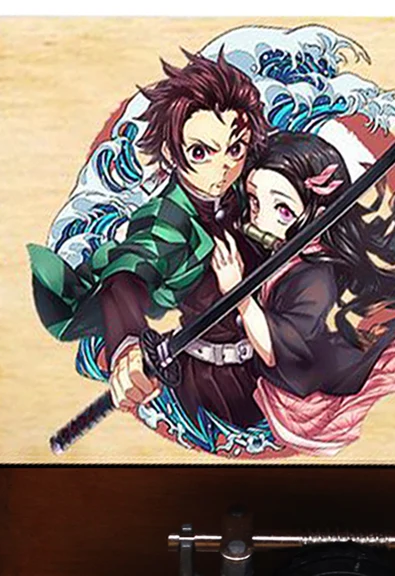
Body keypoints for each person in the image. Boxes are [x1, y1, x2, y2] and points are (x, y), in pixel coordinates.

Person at [28, 51, 269, 435]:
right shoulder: (167, 221)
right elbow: (127, 276)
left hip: (264, 361)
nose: (222, 168)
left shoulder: (245, 185)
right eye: (201, 152)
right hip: (210, 385)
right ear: (173, 152)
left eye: (235, 149)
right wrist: (127, 347)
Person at [209, 131, 395, 454]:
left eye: (282, 209)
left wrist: (238, 294)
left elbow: (279, 352)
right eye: (254, 202)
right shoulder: (291, 257)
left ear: (319, 215)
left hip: (306, 411)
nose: (260, 220)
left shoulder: (316, 278)